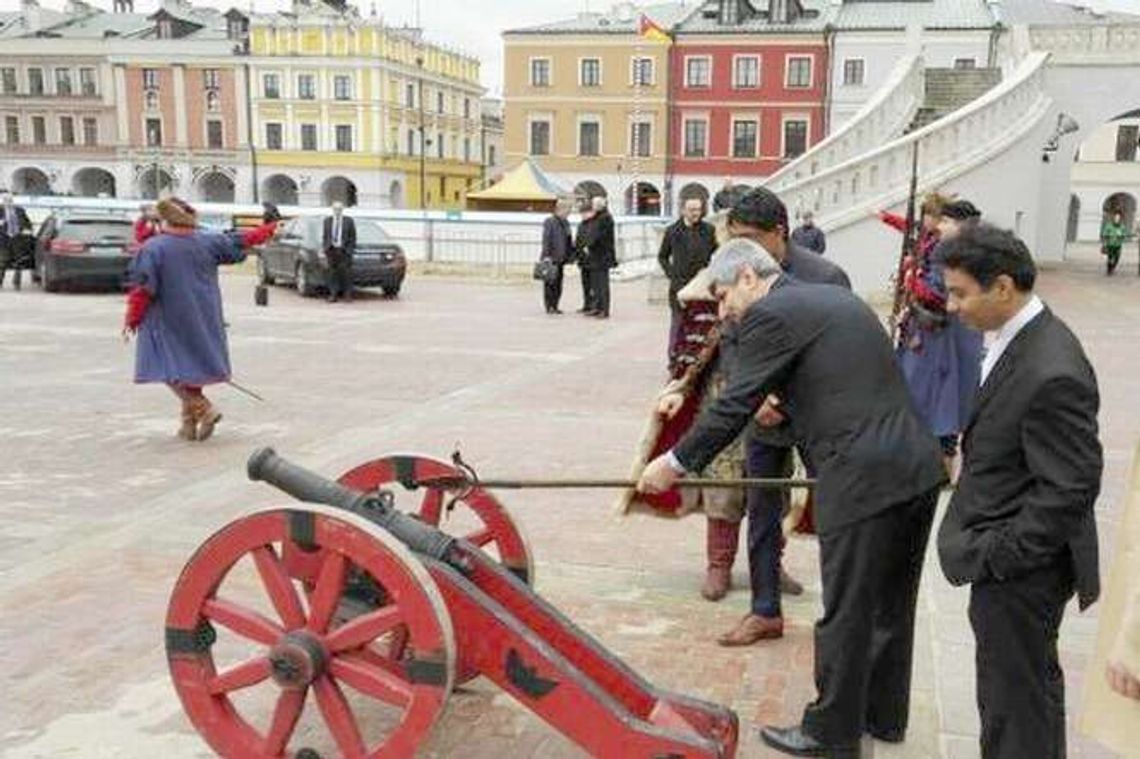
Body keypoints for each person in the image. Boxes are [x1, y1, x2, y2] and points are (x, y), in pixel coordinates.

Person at [638, 239, 945, 756]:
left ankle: (830, 732)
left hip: (861, 476)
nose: (723, 310)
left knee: (847, 608)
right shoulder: (833, 298)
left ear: (748, 277)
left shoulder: (770, 313)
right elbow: (836, 377)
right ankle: (884, 715)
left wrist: (673, 463)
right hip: (915, 466)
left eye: (723, 296)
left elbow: (734, 403)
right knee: (892, 604)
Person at [937, 223, 1102, 759]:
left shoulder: (1052, 368)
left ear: (1003, 287)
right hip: (1009, 558)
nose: (952, 306)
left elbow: (1071, 487)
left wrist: (1001, 556)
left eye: (960, 293)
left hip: (1023, 572)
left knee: (1018, 704)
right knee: (1012, 696)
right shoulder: (1014, 339)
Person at [715, 187, 850, 647]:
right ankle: (765, 609)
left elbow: (834, 355)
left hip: (814, 415)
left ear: (780, 233)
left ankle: (839, 614)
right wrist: (755, 396)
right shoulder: (737, 271)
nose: (743, 248)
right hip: (761, 413)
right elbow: (730, 341)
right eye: (735, 237)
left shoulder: (826, 277)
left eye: (751, 238)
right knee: (762, 511)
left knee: (831, 511)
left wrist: (785, 400)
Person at [123, 197, 277, 441]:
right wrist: (271, 228)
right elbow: (243, 240)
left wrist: (132, 319)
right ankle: (188, 425)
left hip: (167, 317)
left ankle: (204, 408)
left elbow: (143, 288)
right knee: (191, 365)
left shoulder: (154, 248)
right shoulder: (208, 241)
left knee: (168, 367)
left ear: (163, 219)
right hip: (204, 313)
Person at [658, 196, 717, 369]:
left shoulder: (709, 230)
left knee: (699, 323)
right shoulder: (672, 231)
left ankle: (694, 358)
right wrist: (672, 274)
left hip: (700, 286)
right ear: (683, 210)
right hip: (679, 285)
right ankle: (674, 359)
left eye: (698, 209)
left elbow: (716, 252)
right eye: (692, 210)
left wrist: (709, 272)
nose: (696, 213)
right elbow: (662, 256)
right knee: (678, 323)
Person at [577, 195, 616, 318]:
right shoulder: (598, 217)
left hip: (602, 256)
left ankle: (604, 309)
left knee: (602, 285)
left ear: (599, 206)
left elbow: (598, 236)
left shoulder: (605, 218)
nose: (592, 206)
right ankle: (597, 307)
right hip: (595, 256)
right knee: (595, 285)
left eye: (593, 204)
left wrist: (588, 245)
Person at [539, 198, 573, 314]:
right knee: (550, 283)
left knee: (558, 283)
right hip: (551, 257)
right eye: (568, 210)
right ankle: (549, 306)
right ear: (560, 209)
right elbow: (546, 239)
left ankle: (555, 305)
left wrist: (570, 255)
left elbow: (568, 239)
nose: (569, 212)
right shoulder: (550, 221)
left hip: (561, 258)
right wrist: (546, 256)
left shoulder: (566, 222)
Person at [322, 201, 356, 302]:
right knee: (332, 274)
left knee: (346, 274)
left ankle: (347, 295)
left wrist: (349, 250)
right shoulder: (327, 221)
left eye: (339, 209)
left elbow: (353, 237)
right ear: (332, 209)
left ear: (342, 209)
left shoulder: (348, 221)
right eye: (335, 209)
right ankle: (333, 295)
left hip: (344, 251)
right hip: (331, 250)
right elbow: (325, 235)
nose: (337, 211)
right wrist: (326, 248)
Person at [0, 192, 32, 290]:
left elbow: (28, 223)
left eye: (10, 200)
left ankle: (16, 283)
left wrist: (27, 229)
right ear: (3, 201)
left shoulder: (20, 210)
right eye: (6, 200)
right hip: (4, 240)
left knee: (19, 262)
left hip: (18, 239)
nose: (8, 202)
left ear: (12, 201)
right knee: (2, 262)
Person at [1100, 210, 1128, 276]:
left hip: (1118, 245)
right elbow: (1105, 234)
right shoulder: (1109, 226)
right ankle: (1109, 270)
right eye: (1116, 218)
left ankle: (1113, 267)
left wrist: (1121, 236)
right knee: (1110, 257)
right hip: (1110, 244)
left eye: (1118, 218)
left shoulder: (1122, 227)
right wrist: (1105, 243)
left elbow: (1124, 235)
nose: (1117, 219)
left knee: (1117, 258)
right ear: (1114, 218)